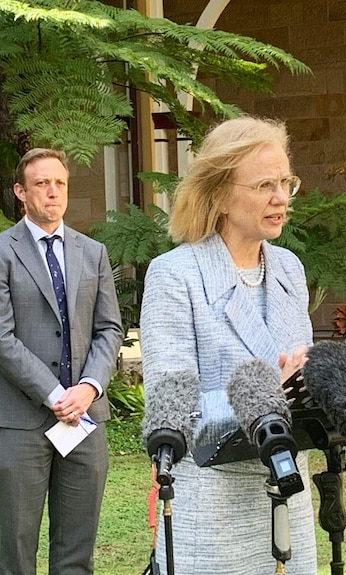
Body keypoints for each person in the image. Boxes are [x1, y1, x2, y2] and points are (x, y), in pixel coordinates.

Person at [139, 116, 317, 575]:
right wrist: (257, 398)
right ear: (218, 194)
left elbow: (300, 375)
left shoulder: (289, 269)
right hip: (213, 505)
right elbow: (170, 406)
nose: (280, 198)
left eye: (285, 182)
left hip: (288, 492)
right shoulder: (174, 274)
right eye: (263, 185)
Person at [0, 148, 124, 575]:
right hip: (21, 419)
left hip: (85, 418)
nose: (52, 192)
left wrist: (88, 387)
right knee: (18, 546)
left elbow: (110, 329)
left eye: (59, 183)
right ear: (21, 191)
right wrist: (56, 395)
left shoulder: (93, 252)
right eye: (41, 183)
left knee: (78, 546)